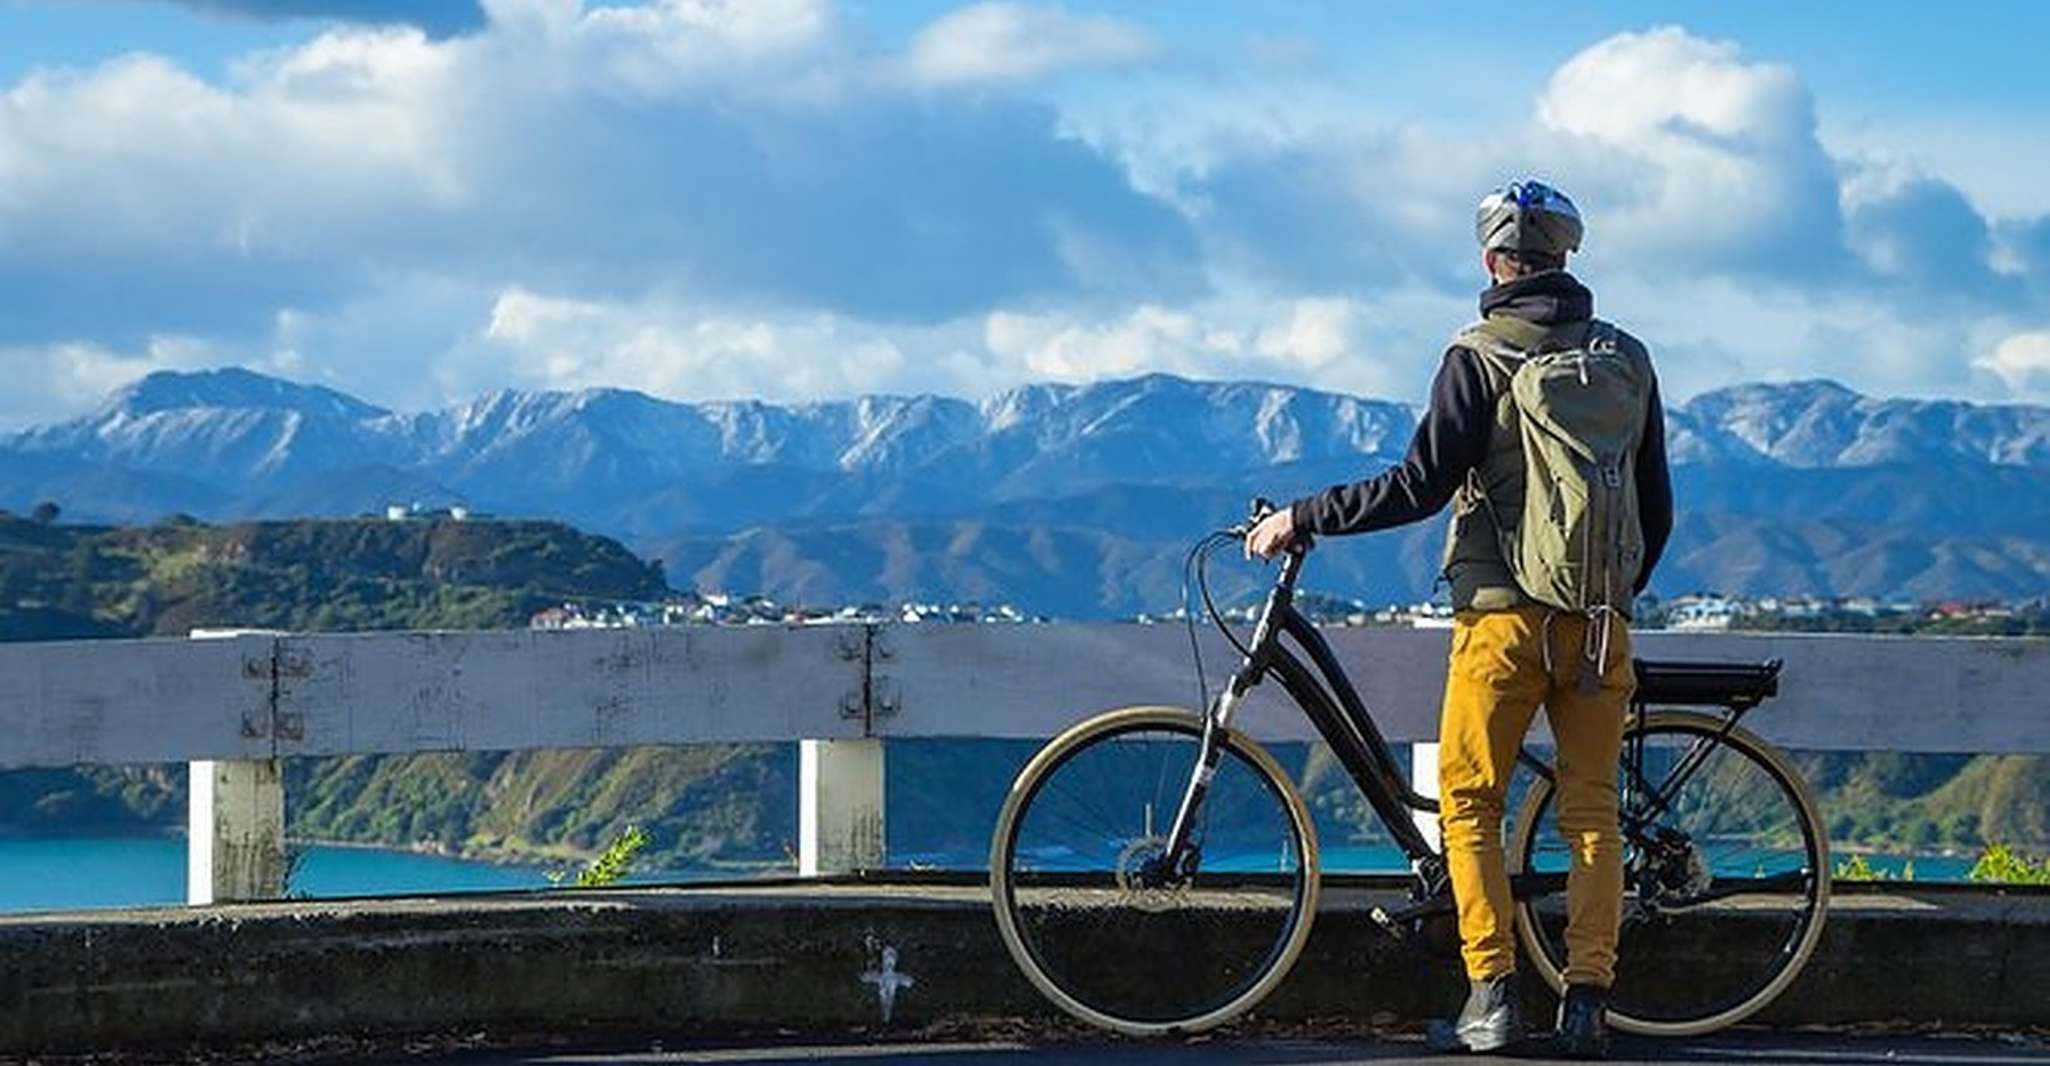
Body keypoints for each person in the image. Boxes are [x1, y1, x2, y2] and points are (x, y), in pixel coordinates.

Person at [1245, 179, 1672, 1059]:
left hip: (1500, 619)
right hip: (1598, 624)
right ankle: (1588, 1002)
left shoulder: (1478, 355)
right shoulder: (1625, 358)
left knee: (1471, 805)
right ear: (1568, 257)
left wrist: (1304, 515)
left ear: (1492, 262)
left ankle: (1494, 998)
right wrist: (1612, 598)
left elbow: (1418, 487)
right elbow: (1656, 505)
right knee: (1593, 813)